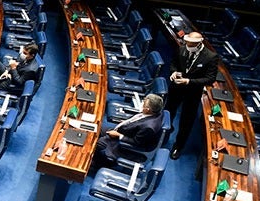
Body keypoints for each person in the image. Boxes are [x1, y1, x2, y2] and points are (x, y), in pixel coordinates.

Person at [166, 31, 220, 159]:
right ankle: (163, 131)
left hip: (193, 92)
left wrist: (189, 81)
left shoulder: (211, 57)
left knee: (186, 121)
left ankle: (178, 146)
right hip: (176, 87)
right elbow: (174, 63)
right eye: (187, 42)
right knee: (168, 111)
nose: (187, 45)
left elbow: (210, 79)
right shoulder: (182, 49)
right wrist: (174, 72)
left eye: (191, 43)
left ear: (199, 43)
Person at [91, 93, 165, 171]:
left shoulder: (149, 127)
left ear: (147, 110)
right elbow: (139, 121)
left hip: (126, 140)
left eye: (144, 104)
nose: (142, 104)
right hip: (126, 129)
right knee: (97, 128)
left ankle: (98, 163)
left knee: (99, 143)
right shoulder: (157, 111)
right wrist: (127, 122)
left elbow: (136, 142)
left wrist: (119, 135)